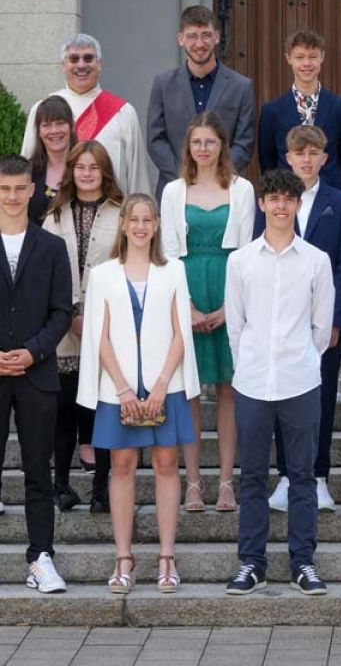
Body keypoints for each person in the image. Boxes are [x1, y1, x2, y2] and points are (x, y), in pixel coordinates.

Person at [77, 193, 199, 594]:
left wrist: (161, 384)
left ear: (157, 224)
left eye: (148, 219)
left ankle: (167, 556)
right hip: (119, 388)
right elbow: (100, 336)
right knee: (122, 465)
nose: (141, 226)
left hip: (167, 385)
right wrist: (123, 388)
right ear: (124, 224)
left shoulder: (174, 270)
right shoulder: (103, 275)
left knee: (166, 463)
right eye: (135, 219)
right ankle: (123, 557)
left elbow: (181, 332)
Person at [224, 170, 334, 596]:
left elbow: (321, 328)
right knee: (252, 476)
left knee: (302, 476)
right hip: (253, 382)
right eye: (274, 198)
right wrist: (249, 365)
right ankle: (252, 563)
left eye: (289, 198)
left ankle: (303, 562)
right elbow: (236, 325)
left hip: (300, 381)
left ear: (298, 204)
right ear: (263, 204)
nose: (281, 206)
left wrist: (302, 360)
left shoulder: (316, 261)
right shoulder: (241, 261)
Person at [160, 111, 255, 513]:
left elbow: (246, 251)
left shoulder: (242, 188)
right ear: (188, 147)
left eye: (210, 142)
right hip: (187, 289)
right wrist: (188, 307)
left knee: (229, 389)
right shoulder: (173, 191)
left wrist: (229, 308)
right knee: (191, 391)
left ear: (222, 146)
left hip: (228, 287)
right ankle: (194, 482)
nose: (203, 149)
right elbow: (168, 253)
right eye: (197, 142)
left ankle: (227, 482)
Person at [267, 126, 341, 513]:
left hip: (322, 321)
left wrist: (334, 319)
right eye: (299, 153)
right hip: (281, 318)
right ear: (287, 157)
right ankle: (287, 476)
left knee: (321, 398)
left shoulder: (340, 203)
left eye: (313, 152)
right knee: (282, 397)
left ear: (325, 158)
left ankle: (318, 476)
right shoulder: (276, 202)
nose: (306, 159)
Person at [0, 154, 72, 592]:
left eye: (18, 188)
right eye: (4, 189)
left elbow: (62, 311)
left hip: (37, 374)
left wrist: (31, 352)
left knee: (38, 472)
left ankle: (41, 558)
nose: (11, 196)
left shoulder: (51, 247)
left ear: (32, 191)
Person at [43, 141, 123, 514]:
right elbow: (45, 270)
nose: (87, 173)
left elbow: (126, 269)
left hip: (107, 324)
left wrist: (93, 314)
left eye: (94, 167)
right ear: (71, 172)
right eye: (80, 167)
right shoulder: (55, 216)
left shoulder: (121, 214)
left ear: (104, 172)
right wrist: (70, 312)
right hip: (62, 326)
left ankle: (101, 489)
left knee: (101, 409)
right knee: (64, 409)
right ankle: (61, 486)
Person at [21, 34, 151, 196]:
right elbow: (26, 169)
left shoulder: (123, 112)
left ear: (99, 64)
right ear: (63, 65)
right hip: (54, 209)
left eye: (88, 58)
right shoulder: (42, 110)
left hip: (110, 207)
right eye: (74, 59)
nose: (81, 65)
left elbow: (137, 175)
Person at [147, 5, 255, 198]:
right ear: (180, 39)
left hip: (224, 190)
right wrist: (185, 176)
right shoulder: (163, 84)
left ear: (217, 37)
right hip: (175, 189)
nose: (199, 43)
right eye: (192, 36)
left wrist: (216, 176)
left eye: (206, 35)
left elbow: (244, 142)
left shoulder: (241, 86)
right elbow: (155, 140)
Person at [258, 29, 341, 191]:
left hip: (329, 195)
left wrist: (332, 191)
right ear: (288, 58)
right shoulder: (272, 112)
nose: (306, 63)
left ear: (322, 57)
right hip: (287, 196)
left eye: (313, 57)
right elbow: (268, 162)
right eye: (299, 57)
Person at [26, 96, 78, 224]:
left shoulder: (87, 168)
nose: (54, 131)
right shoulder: (28, 171)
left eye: (60, 123)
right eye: (46, 125)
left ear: (72, 126)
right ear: (39, 131)